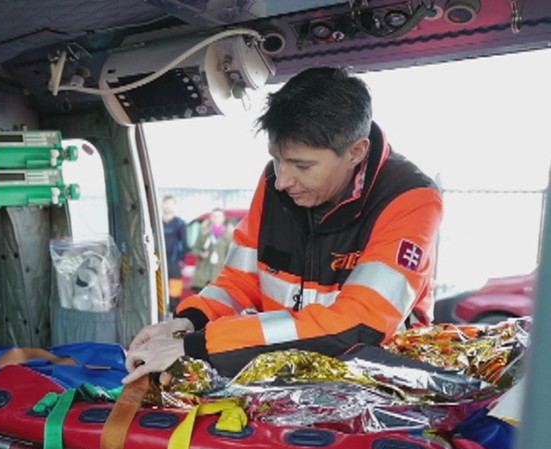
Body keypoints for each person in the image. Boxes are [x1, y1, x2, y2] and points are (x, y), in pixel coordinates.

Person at [124, 66, 443, 384]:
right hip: (285, 380)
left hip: (377, 386)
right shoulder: (275, 182)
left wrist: (196, 347)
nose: (282, 181)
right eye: (276, 158)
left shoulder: (409, 198)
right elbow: (238, 283)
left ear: (356, 152)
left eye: (302, 165)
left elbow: (358, 326)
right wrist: (188, 323)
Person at [188, 208, 232, 292]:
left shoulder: (229, 234)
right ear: (211, 218)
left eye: (218, 216)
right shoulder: (204, 232)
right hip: (203, 274)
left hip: (219, 274)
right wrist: (201, 254)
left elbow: (232, 255)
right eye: (214, 216)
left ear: (223, 218)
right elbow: (194, 249)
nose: (216, 219)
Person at [161, 195, 188, 313]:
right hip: (159, 259)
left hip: (174, 260)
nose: (168, 206)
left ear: (175, 206)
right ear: (162, 205)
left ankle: (173, 310)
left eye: (170, 203)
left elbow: (184, 243)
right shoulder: (157, 222)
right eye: (166, 203)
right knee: (159, 285)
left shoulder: (180, 223)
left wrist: (182, 259)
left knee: (175, 289)